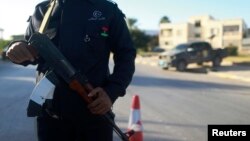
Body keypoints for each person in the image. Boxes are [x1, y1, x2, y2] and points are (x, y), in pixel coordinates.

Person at [6, 0, 136, 141]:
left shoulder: (106, 9)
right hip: (51, 121)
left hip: (93, 114)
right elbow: (30, 50)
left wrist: (111, 92)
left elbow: (126, 55)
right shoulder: (43, 10)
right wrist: (16, 48)